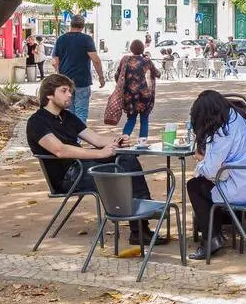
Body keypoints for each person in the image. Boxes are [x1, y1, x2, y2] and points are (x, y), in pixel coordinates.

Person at [23, 73, 157, 246]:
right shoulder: (37, 122)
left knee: (125, 158)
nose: (70, 94)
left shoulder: (68, 117)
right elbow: (60, 150)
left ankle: (141, 222)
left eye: (70, 91)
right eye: (64, 91)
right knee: (119, 171)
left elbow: (95, 139)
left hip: (82, 167)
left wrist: (117, 141)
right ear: (49, 94)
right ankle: (143, 214)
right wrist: (100, 154)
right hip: (67, 177)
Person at [189, 88, 246, 255]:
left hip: (243, 190)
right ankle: (217, 231)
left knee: (195, 185)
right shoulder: (244, 117)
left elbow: (211, 171)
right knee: (210, 184)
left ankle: (211, 239)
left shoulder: (222, 131)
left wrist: (201, 160)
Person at [50, 14, 103, 124]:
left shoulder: (61, 39)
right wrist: (101, 77)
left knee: (70, 111)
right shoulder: (87, 39)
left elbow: (55, 62)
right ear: (83, 26)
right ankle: (78, 139)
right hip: (82, 81)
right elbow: (96, 60)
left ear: (71, 24)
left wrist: (59, 75)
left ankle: (71, 137)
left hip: (65, 81)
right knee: (81, 111)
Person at [112, 39, 161, 137]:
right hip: (144, 95)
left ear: (131, 49)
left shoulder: (125, 60)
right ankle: (142, 144)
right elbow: (157, 74)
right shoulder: (147, 61)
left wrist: (123, 86)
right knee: (144, 120)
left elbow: (117, 75)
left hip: (129, 95)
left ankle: (123, 141)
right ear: (143, 49)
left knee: (131, 119)